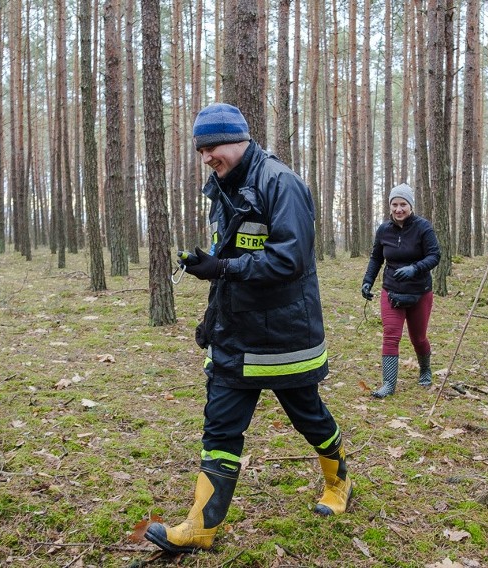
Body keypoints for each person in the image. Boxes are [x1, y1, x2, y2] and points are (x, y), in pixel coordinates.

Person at [144, 103, 352, 554]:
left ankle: (338, 482)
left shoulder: (282, 184)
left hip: (283, 336)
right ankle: (201, 526)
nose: (206, 157)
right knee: (219, 428)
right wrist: (211, 266)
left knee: (309, 418)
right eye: (201, 150)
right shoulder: (223, 185)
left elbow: (290, 260)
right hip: (234, 335)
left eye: (212, 147)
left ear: (239, 140)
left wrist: (223, 266)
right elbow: (235, 251)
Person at [360, 183, 441, 398]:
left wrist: (414, 269)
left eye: (403, 204)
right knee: (390, 335)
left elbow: (435, 256)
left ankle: (425, 369)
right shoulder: (384, 229)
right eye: (394, 204)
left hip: (420, 291)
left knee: (418, 338)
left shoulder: (423, 227)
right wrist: (368, 280)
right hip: (392, 290)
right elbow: (376, 257)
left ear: (411, 206)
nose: (398, 209)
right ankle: (388, 384)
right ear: (389, 206)